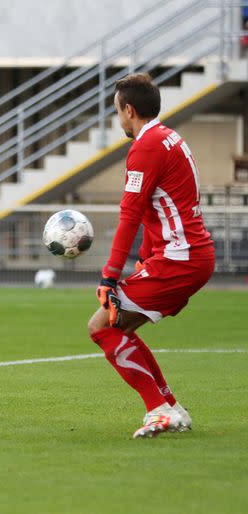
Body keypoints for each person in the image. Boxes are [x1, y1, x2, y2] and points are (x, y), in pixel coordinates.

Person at [89, 73, 215, 439]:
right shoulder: (170, 138)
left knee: (101, 326)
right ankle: (170, 407)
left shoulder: (146, 147)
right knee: (120, 326)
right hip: (187, 255)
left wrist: (109, 276)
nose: (119, 120)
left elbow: (130, 214)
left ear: (129, 110)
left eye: (118, 112)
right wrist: (145, 259)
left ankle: (159, 408)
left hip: (180, 258)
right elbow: (153, 211)